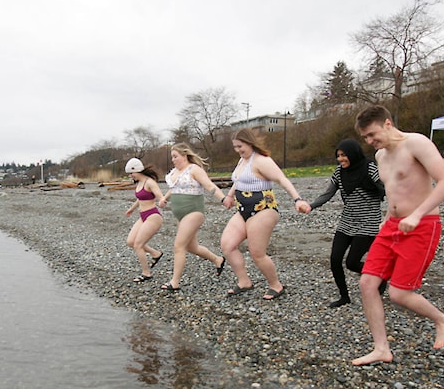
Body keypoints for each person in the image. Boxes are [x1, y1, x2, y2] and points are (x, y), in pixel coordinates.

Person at [351, 105, 444, 365]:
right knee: (367, 284)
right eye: (365, 138)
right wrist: (387, 219)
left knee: (399, 293)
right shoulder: (381, 156)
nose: (370, 141)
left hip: (422, 224)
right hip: (392, 226)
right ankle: (381, 348)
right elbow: (395, 192)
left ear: (387, 124)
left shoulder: (416, 143)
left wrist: (417, 214)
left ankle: (442, 320)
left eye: (372, 134)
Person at [220, 128, 311, 300]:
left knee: (257, 252)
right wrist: (230, 196)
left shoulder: (262, 161)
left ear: (249, 142)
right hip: (243, 210)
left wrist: (298, 199)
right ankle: (244, 281)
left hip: (263, 209)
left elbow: (282, 179)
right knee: (227, 244)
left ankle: (276, 285)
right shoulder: (242, 160)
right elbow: (238, 180)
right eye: (235, 147)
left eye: (240, 146)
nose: (238, 150)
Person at [306, 138, 384, 308]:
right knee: (335, 259)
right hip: (347, 220)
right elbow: (328, 194)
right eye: (338, 156)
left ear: (353, 154)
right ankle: (344, 297)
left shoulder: (370, 168)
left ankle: (381, 277)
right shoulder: (339, 172)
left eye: (344, 155)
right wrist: (310, 206)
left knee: (352, 263)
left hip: (368, 222)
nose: (341, 159)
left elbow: (386, 186)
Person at [157, 143, 228, 292]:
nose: (173, 160)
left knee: (179, 246)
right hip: (179, 214)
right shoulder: (175, 172)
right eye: (172, 157)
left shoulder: (194, 169)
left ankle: (174, 282)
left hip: (194, 212)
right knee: (191, 247)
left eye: (176, 156)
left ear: (185, 155)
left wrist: (223, 199)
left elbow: (209, 186)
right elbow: (174, 187)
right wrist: (165, 198)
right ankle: (218, 260)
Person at [124, 157, 165, 282]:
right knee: (130, 241)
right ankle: (156, 254)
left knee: (138, 245)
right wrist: (132, 208)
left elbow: (159, 195)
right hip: (143, 216)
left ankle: (146, 273)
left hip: (153, 216)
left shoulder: (149, 182)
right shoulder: (140, 183)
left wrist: (162, 200)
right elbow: (140, 198)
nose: (131, 176)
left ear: (137, 170)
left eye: (131, 173)